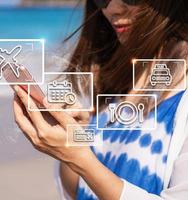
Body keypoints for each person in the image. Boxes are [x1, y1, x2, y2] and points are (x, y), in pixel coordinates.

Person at [13, 0, 188, 199]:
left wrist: (80, 159)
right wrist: (74, 142)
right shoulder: (114, 77)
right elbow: (79, 192)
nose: (112, 8)